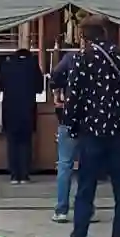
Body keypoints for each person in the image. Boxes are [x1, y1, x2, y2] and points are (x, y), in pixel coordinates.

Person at [61, 17, 120, 237]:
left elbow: (74, 97)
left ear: (84, 36)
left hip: (91, 132)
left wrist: (72, 127)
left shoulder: (81, 59)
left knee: (86, 188)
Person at [0, 47, 43, 185]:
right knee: (26, 142)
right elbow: (39, 88)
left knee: (12, 142)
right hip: (27, 108)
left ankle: (14, 175)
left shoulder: (6, 65)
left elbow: (1, 86)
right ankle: (24, 175)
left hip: (10, 108)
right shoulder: (33, 65)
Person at [48, 48, 78, 222]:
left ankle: (61, 209)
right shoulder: (99, 60)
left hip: (68, 117)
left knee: (65, 164)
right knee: (87, 166)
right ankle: (86, 208)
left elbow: (54, 76)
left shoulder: (70, 58)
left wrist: (57, 94)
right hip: (90, 120)